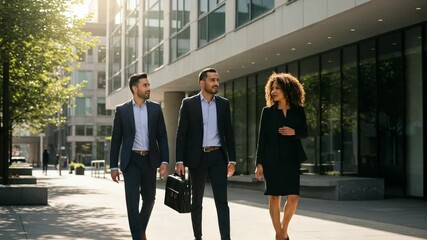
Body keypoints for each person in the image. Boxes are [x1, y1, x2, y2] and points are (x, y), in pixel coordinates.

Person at [175, 67, 236, 240]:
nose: (216, 83)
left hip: (218, 157)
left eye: (217, 80)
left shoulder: (223, 104)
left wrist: (232, 160)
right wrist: (179, 160)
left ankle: (226, 237)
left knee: (222, 201)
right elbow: (181, 134)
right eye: (212, 80)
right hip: (197, 157)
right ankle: (198, 237)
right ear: (202, 83)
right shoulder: (188, 104)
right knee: (197, 201)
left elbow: (229, 133)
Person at [110, 72, 169, 240]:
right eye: (145, 85)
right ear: (135, 89)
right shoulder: (122, 110)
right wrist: (113, 166)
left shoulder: (155, 108)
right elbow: (116, 140)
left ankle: (139, 231)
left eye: (148, 85)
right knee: (132, 201)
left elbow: (162, 136)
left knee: (150, 198)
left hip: (150, 160)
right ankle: (138, 237)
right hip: (131, 161)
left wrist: (165, 160)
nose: (148, 88)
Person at [255, 72, 308, 240]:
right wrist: (259, 163)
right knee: (274, 196)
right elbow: (261, 139)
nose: (274, 91)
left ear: (287, 89)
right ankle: (280, 234)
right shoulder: (267, 112)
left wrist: (294, 132)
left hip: (291, 159)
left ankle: (282, 232)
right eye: (272, 88)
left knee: (293, 196)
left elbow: (305, 132)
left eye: (278, 88)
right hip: (271, 160)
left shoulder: (298, 110)